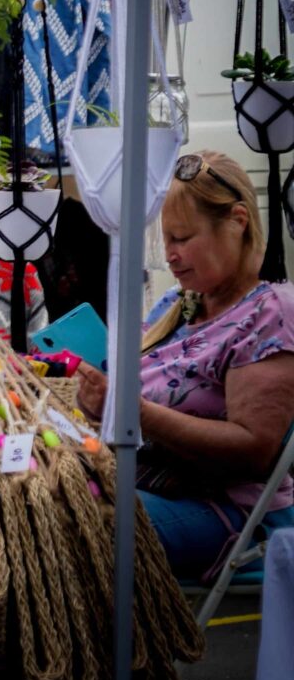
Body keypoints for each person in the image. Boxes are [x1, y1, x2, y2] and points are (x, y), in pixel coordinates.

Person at [77, 151, 294, 579]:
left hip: (225, 509)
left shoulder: (270, 313)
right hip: (146, 483)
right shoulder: (177, 305)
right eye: (165, 240)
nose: (170, 256)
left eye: (182, 238)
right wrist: (96, 404)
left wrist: (132, 413)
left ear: (237, 221)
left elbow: (254, 452)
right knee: (23, 502)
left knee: (66, 526)